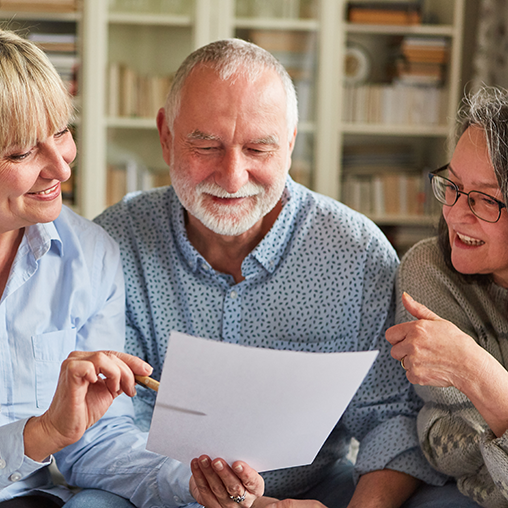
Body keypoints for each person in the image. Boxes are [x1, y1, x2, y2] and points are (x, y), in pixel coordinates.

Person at [95, 38, 468, 508]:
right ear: (166, 135)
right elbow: (104, 429)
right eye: (206, 145)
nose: (233, 178)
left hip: (311, 490)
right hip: (154, 489)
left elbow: (389, 418)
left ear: (290, 142)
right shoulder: (113, 243)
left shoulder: (356, 253)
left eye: (258, 148)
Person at [0, 28, 243, 508]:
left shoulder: (89, 254)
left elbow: (97, 442)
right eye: (23, 152)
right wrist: (41, 434)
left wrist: (193, 485)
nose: (62, 168)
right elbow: (52, 436)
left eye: (62, 133)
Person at [385, 86, 508, 508]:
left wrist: (473, 369)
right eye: (453, 186)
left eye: (487, 200)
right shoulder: (429, 272)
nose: (455, 214)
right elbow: (449, 453)